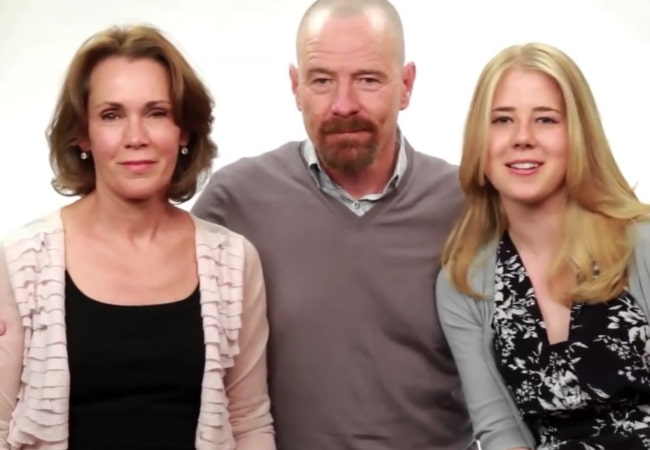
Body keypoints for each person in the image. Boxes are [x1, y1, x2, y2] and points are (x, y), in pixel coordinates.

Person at [190, 0, 475, 449]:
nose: (344, 104)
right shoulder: (234, 201)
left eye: (367, 79)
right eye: (322, 80)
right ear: (295, 86)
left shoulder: (468, 205)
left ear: (405, 85)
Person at [0, 25, 275, 449]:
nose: (136, 137)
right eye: (112, 115)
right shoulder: (22, 261)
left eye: (157, 112)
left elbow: (249, 422)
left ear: (184, 132)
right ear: (84, 135)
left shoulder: (234, 262)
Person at [436, 41, 650, 450]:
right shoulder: (464, 283)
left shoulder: (640, 244)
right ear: (480, 141)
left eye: (546, 120)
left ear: (578, 135)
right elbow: (499, 432)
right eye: (501, 120)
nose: (522, 138)